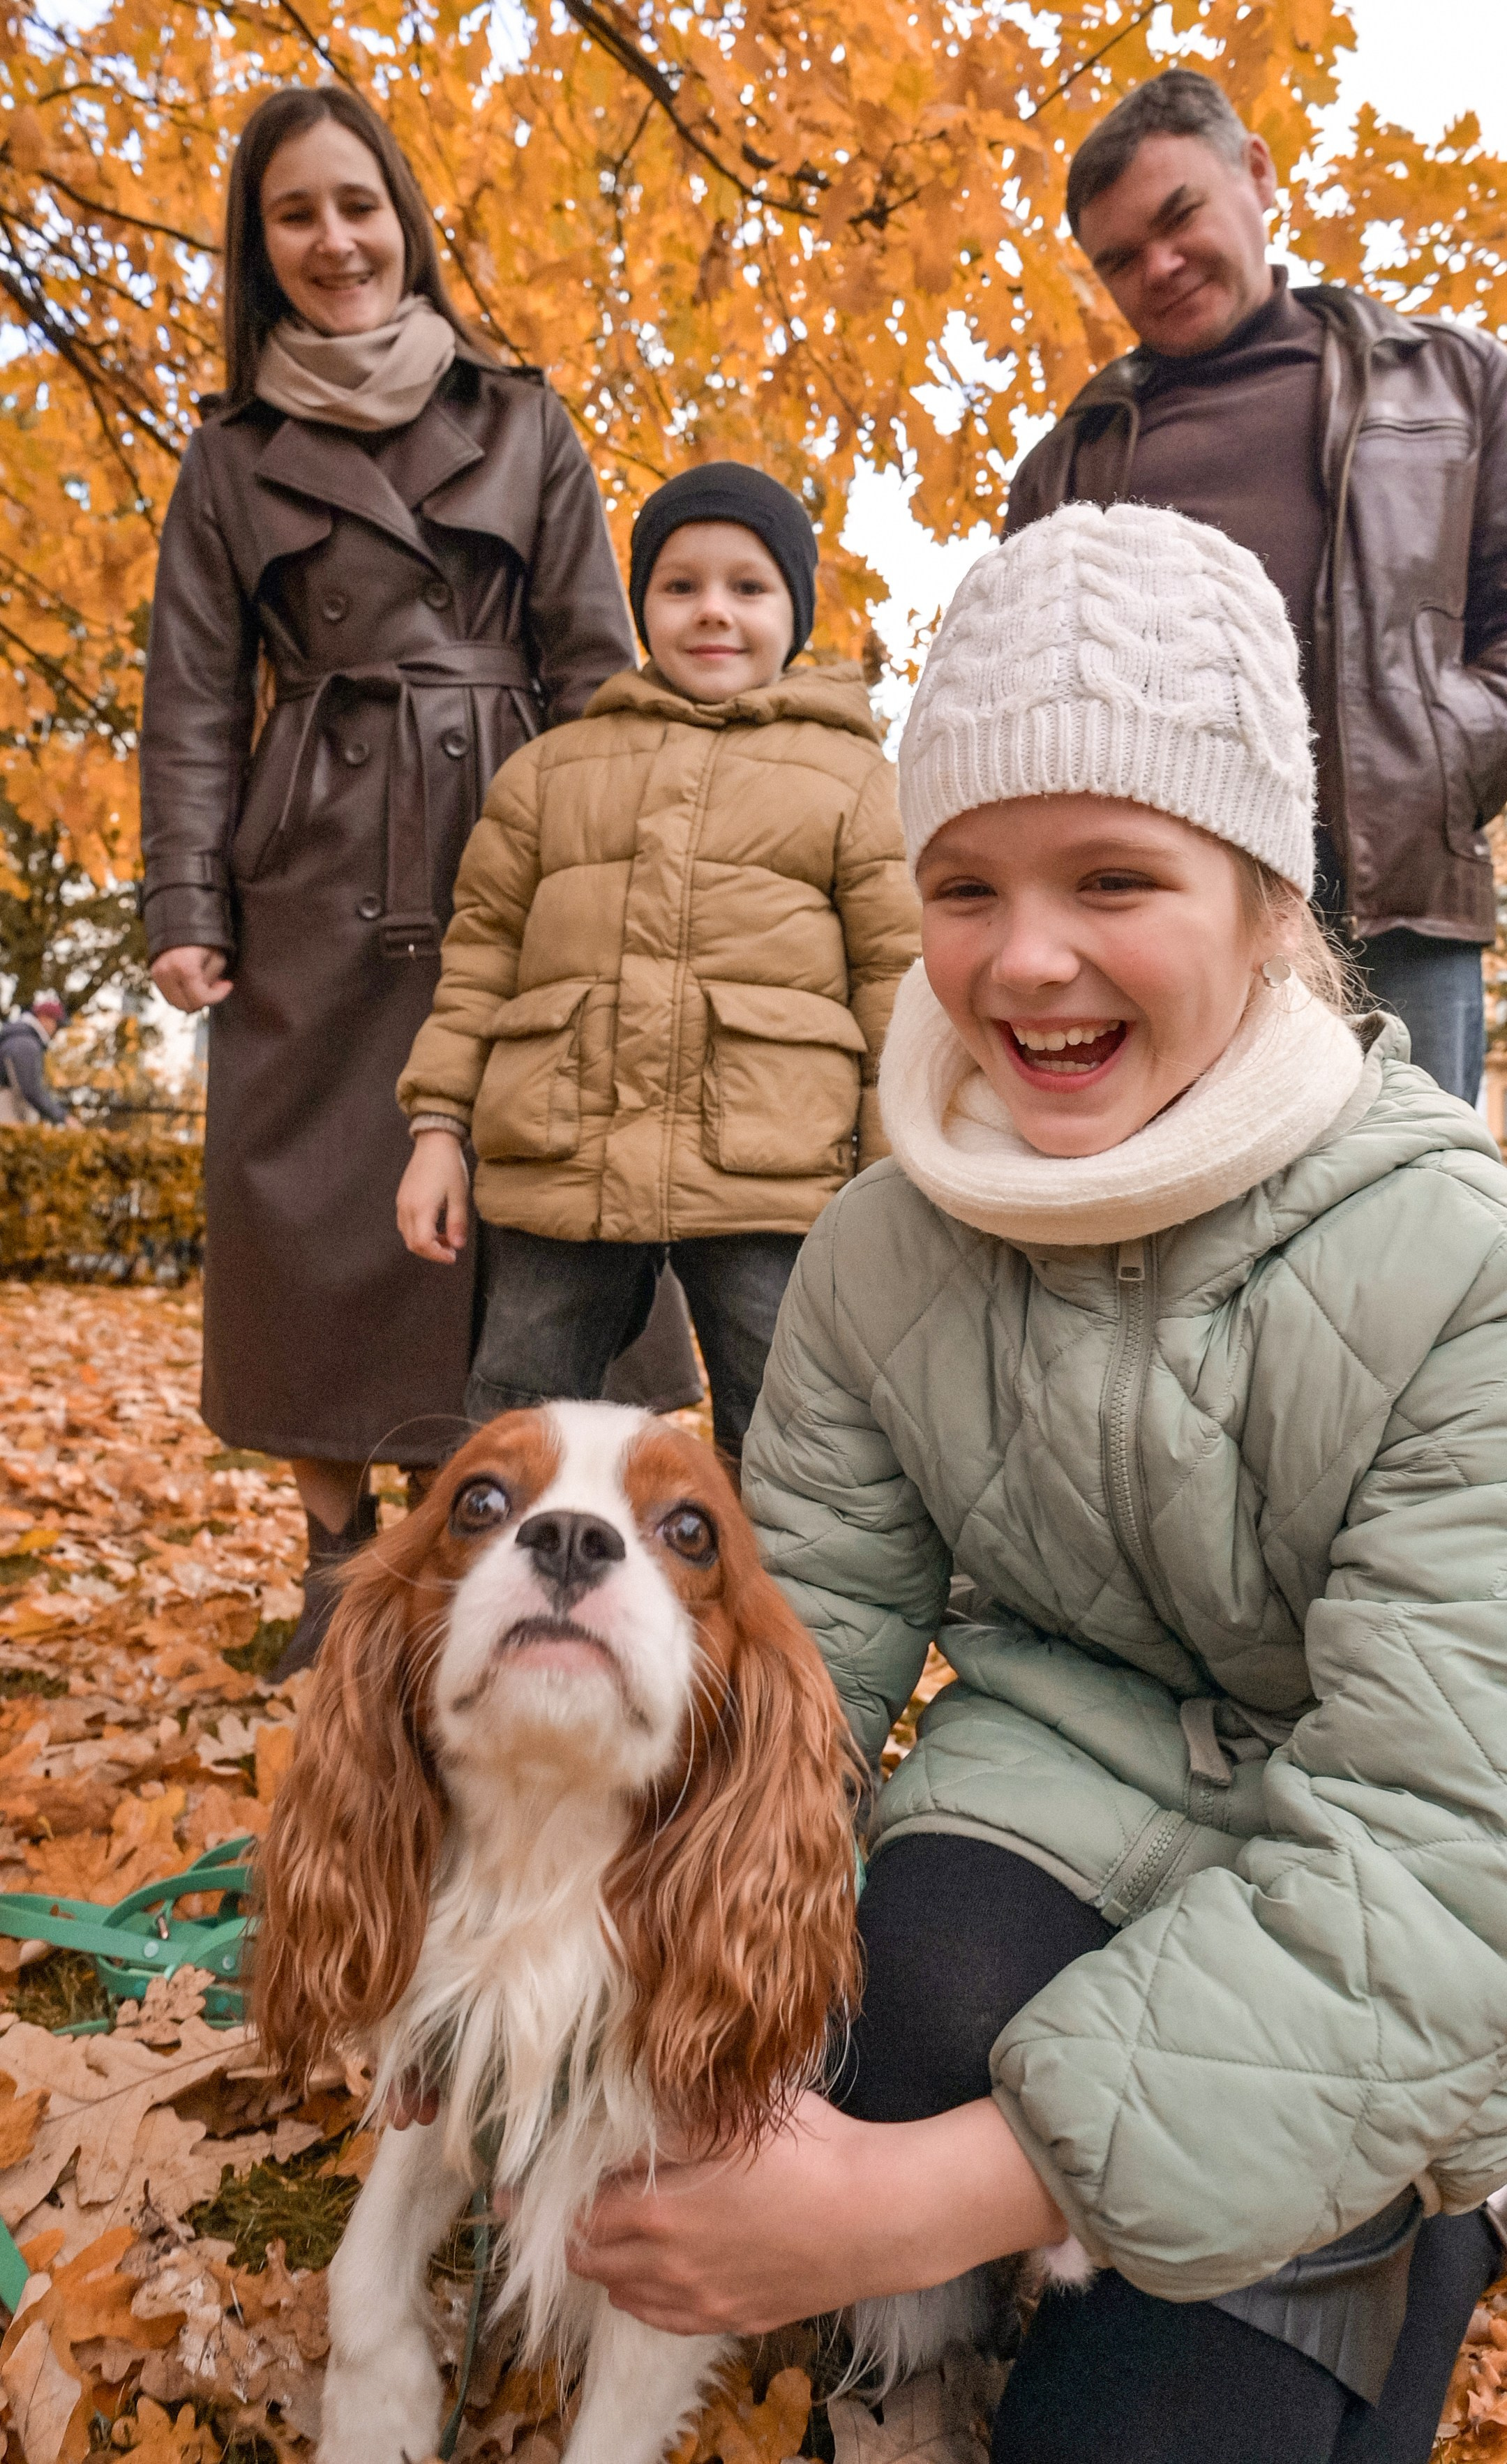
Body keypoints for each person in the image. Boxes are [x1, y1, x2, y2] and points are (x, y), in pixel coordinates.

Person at [562, 505, 1507, 2464]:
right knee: (884, 1989)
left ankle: (1395, 2240)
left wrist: (899, 2201)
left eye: (1113, 877)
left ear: (1265, 897)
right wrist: (542, 1972)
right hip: (1050, 1796)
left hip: (1390, 1919)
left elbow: (1441, 1848)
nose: (1026, 959)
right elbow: (788, 1680)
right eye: (965, 887)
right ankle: (932, 2341)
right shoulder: (880, 1251)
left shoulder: (1459, 1267)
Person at [137, 86, 637, 1669]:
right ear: (260, 245)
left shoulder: (523, 418)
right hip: (311, 864)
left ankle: (457, 1543)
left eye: (357, 204)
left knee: (503, 1199)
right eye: (295, 214)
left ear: (404, 218)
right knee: (307, 1205)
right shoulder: (229, 457)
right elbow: (192, 692)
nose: (334, 240)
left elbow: (596, 666)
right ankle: (336, 1558)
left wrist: (614, 873)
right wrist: (185, 902)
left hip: (506, 843)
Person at [394, 462, 919, 1462]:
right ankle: (504, 1566)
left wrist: (892, 1181)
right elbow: (480, 960)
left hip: (773, 1173)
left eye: (748, 586)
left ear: (795, 613)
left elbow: (897, 986)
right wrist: (436, 1132)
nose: (713, 610)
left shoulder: (856, 782)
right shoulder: (549, 774)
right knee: (514, 1421)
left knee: (790, 1433)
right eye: (681, 586)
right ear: (642, 608)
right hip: (564, 1162)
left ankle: (783, 1575)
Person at [1005, 67, 1507, 1106]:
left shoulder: (1456, 380)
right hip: (1157, 926)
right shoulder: (1065, 463)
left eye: (1178, 216)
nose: (1160, 265)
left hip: (1396, 905)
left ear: (1259, 172)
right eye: (1119, 259)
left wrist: (1448, 755)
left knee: (1414, 1195)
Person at [0, 993, 69, 1125]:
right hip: (8, 1115)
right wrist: (62, 1116)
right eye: (56, 1023)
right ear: (44, 1018)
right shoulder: (25, 1043)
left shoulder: (18, 1038)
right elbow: (30, 1090)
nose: (56, 1030)